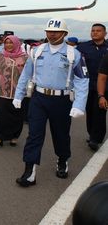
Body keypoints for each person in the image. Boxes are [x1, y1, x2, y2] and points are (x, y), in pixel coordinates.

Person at [14, 18, 88, 187]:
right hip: (39, 98)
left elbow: (82, 80)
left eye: (56, 31)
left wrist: (79, 105)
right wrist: (19, 95)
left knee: (61, 134)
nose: (52, 34)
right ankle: (29, 171)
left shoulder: (73, 54)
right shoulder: (37, 51)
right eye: (49, 31)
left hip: (61, 100)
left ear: (64, 33)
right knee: (34, 134)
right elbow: (26, 74)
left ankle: (62, 160)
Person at [0, 35, 28, 148]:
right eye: (6, 43)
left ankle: (14, 136)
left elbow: (29, 74)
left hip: (19, 93)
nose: (8, 45)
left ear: (16, 44)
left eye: (11, 43)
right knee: (0, 115)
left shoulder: (25, 58)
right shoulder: (1, 56)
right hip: (1, 91)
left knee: (17, 116)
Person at [77, 23, 108, 151]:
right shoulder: (82, 47)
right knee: (90, 111)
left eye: (98, 31)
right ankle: (91, 134)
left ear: (105, 34)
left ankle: (96, 138)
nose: (95, 33)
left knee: (100, 111)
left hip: (104, 86)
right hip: (87, 86)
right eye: (93, 30)